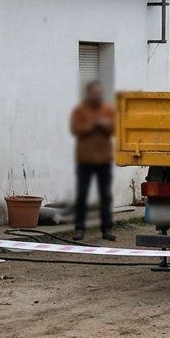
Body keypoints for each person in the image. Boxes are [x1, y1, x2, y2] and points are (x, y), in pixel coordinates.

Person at [69, 80, 116, 241]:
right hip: (85, 160)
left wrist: (104, 126)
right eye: (94, 92)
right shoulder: (80, 110)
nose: (97, 95)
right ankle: (80, 229)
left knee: (105, 195)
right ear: (88, 94)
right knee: (82, 194)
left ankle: (107, 229)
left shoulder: (108, 109)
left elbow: (114, 129)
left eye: (99, 92)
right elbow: (76, 130)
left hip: (104, 159)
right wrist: (92, 125)